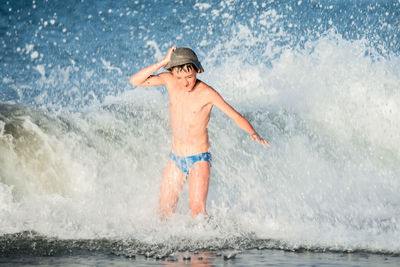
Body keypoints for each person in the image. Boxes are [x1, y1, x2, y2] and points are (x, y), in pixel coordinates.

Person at [130, 46, 269, 219]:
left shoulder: (207, 93)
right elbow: (135, 81)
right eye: (180, 77)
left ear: (197, 70)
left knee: (197, 212)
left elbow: (234, 115)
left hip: (199, 158)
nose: (185, 82)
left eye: (189, 76)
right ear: (173, 73)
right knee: (164, 211)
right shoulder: (170, 81)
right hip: (176, 158)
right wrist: (165, 62)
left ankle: (208, 245)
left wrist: (253, 132)